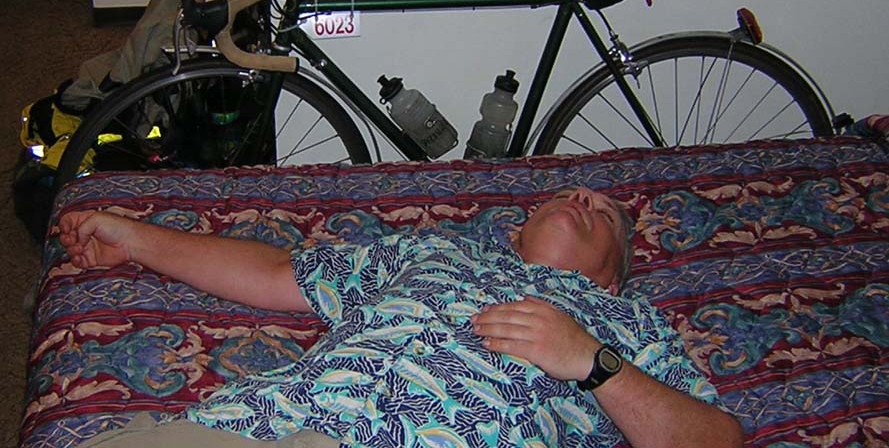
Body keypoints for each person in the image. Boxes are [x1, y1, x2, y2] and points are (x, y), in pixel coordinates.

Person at [61, 187, 743, 448]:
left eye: (605, 214)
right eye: (567, 193)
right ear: (517, 230)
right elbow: (273, 274)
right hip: (260, 425)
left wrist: (591, 361)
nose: (583, 197)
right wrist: (134, 238)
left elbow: (715, 439)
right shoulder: (433, 250)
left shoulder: (626, 324)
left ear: (614, 273)